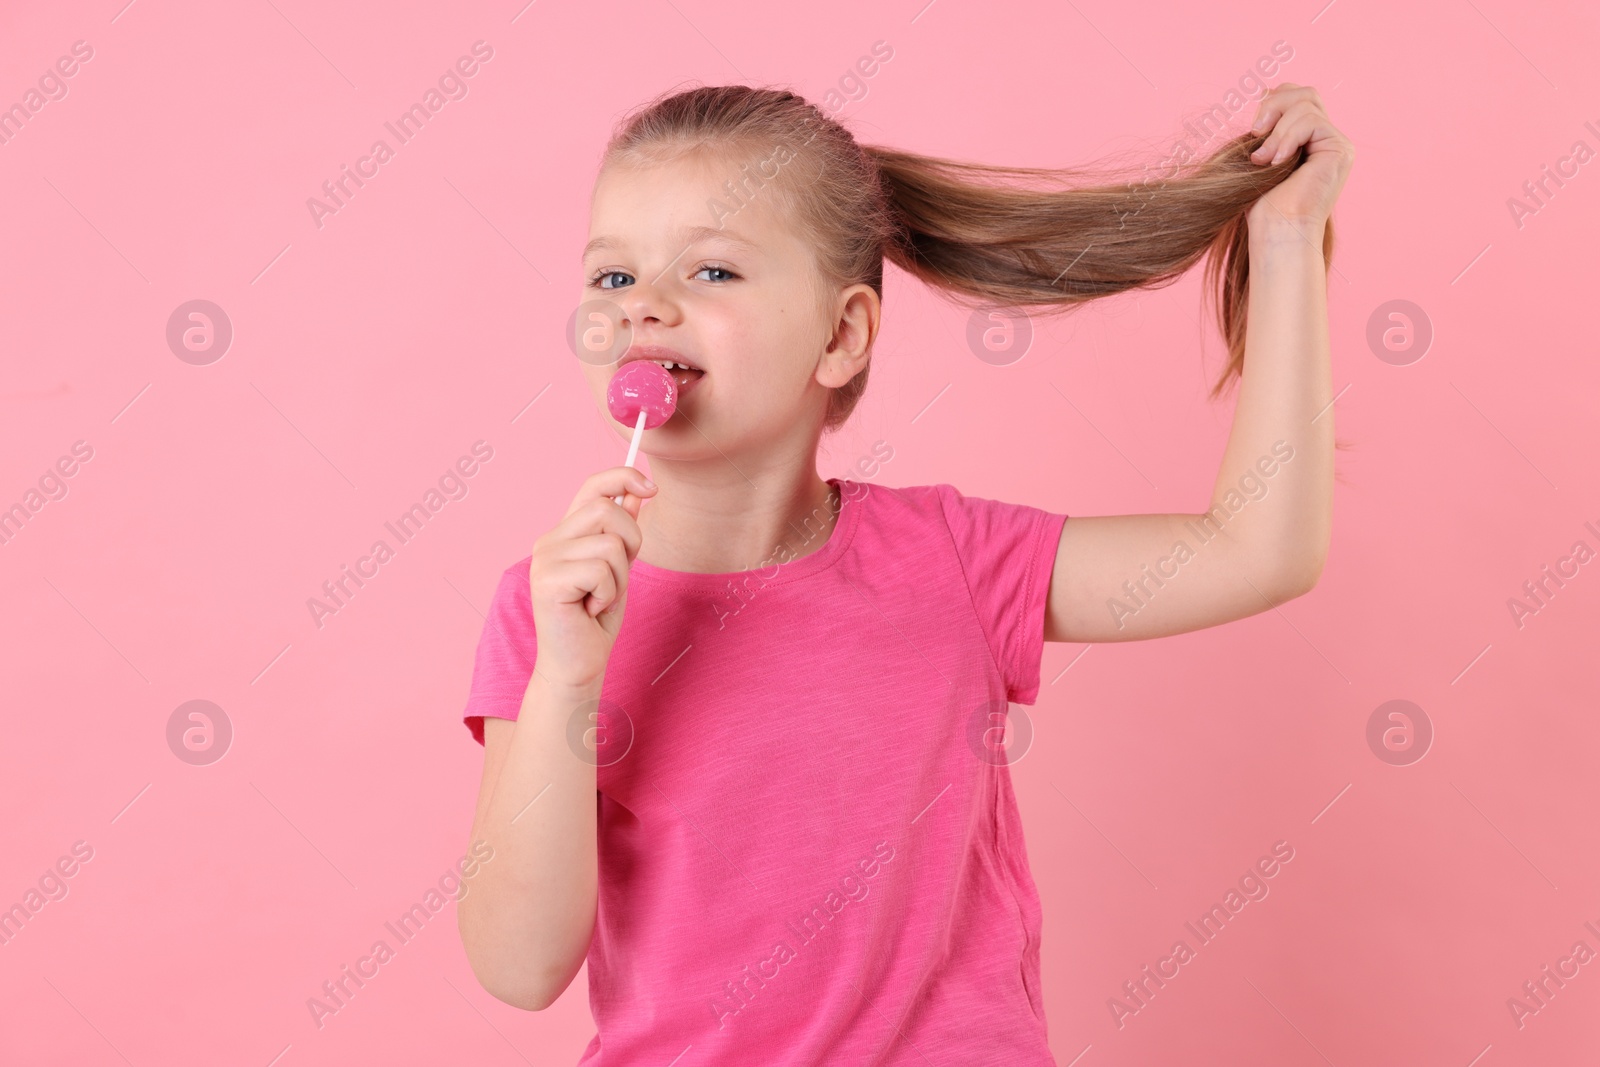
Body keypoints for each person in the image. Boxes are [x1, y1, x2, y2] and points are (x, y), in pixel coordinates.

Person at [455, 82, 1352, 1065]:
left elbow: (1256, 549)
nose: (648, 306)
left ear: (841, 336)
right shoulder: (553, 608)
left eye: (710, 269)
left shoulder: (952, 561)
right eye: (613, 278)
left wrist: (1283, 248)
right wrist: (567, 682)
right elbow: (518, 964)